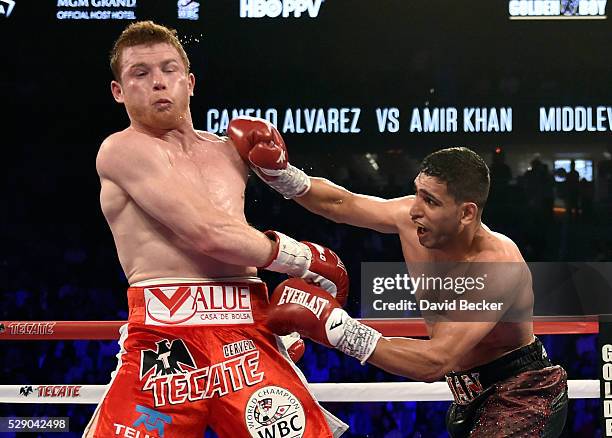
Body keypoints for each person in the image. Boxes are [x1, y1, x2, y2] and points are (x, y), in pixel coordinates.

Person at [84, 21, 349, 438]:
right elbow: (207, 232)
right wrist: (303, 258)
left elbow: (329, 200)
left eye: (168, 70)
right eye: (140, 73)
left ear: (189, 82)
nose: (158, 82)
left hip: (247, 334)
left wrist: (287, 177)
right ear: (119, 91)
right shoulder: (122, 149)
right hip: (164, 344)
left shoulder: (231, 152)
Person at [229, 117, 569, 437]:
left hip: (522, 395)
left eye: (431, 201)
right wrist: (282, 174)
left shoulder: (495, 266)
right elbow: (341, 203)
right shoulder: (411, 217)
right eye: (418, 192)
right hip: (468, 397)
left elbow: (435, 361)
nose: (415, 209)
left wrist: (338, 328)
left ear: (466, 213)